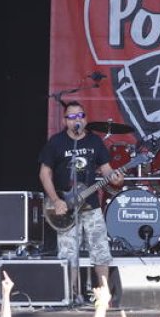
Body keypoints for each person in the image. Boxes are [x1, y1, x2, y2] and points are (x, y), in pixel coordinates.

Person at [38, 101, 123, 301]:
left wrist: (115, 177)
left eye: (81, 116)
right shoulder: (56, 142)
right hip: (65, 207)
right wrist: (56, 200)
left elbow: (107, 169)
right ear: (65, 121)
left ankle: (104, 296)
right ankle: (70, 295)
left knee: (100, 251)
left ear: (85, 119)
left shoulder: (94, 142)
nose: (77, 120)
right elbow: (44, 173)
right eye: (72, 117)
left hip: (91, 206)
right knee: (68, 254)